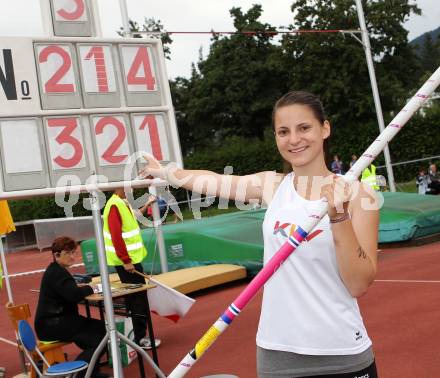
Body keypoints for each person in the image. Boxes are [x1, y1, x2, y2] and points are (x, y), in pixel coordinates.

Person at [141, 91, 379, 377]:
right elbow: (214, 181)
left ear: (324, 128)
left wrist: (339, 216)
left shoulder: (358, 195)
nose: (294, 139)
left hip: (341, 352)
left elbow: (358, 284)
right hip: (278, 354)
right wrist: (165, 172)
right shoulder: (273, 186)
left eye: (304, 128)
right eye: (283, 131)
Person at [34, 237, 108, 378]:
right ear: (57, 255)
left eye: (74, 252)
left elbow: (69, 291)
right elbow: (73, 295)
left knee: (101, 330)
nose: (73, 256)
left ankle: (90, 372)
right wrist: (90, 288)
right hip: (53, 325)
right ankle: (81, 374)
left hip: (56, 321)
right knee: (102, 336)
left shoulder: (56, 270)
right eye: (68, 253)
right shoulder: (57, 273)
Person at [102, 188, 161, 350]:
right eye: (129, 186)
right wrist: (126, 260)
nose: (132, 189)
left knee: (136, 298)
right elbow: (116, 235)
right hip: (127, 262)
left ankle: (135, 336)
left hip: (129, 260)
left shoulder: (121, 203)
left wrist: (148, 203)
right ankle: (140, 339)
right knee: (138, 299)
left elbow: (134, 218)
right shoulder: (115, 205)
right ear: (119, 187)